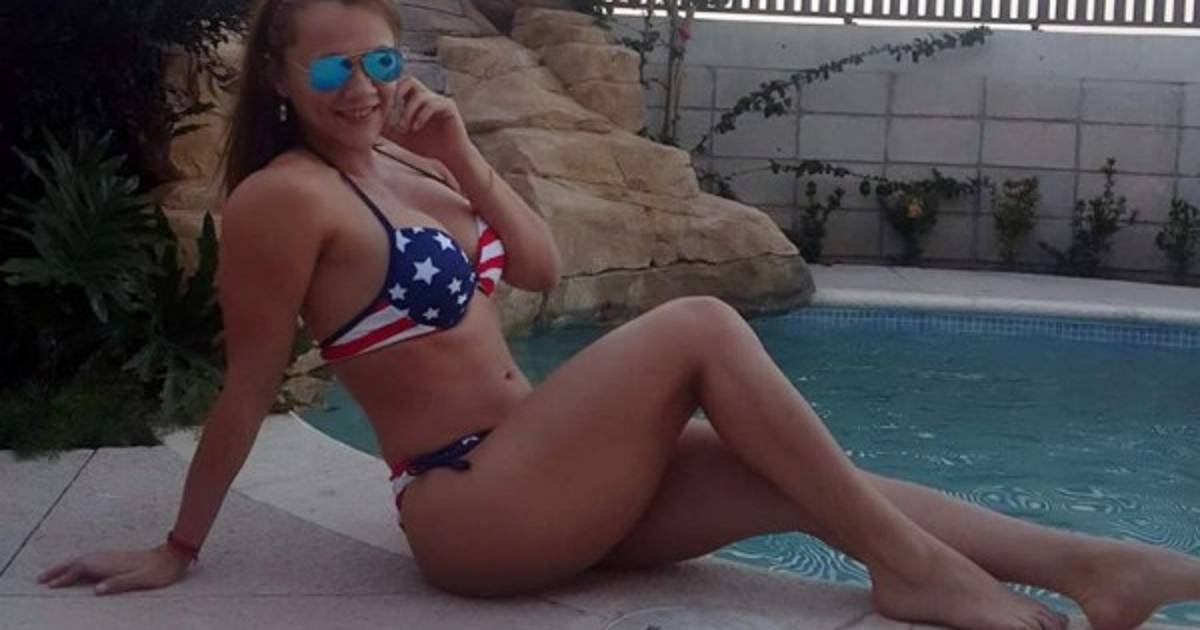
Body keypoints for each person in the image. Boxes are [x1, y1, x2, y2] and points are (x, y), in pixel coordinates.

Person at [38, 1, 1200, 628]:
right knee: (700, 325)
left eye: (378, 64)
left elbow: (538, 269)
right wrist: (179, 547)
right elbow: (248, 385)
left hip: (543, 471)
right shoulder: (282, 200)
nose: (362, 91)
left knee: (785, 473)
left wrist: (462, 153)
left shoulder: (412, 162)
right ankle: (918, 575)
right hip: (471, 509)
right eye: (333, 72)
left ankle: (1096, 565)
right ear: (283, 82)